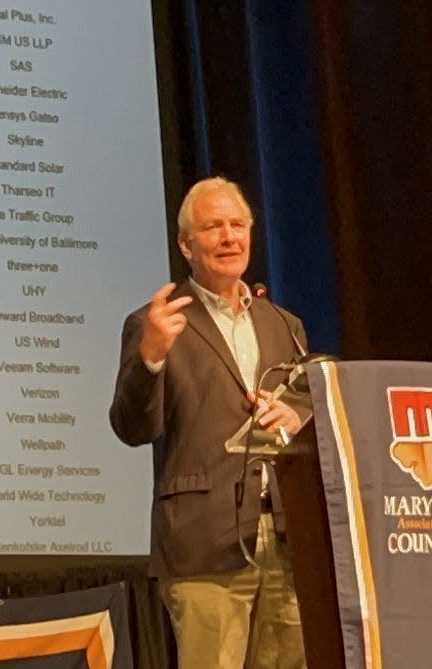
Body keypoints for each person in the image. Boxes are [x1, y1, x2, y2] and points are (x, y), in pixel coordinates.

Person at [109, 177, 308, 669]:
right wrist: (151, 356)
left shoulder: (284, 324)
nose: (229, 237)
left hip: (287, 542)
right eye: (213, 226)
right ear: (185, 244)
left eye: (238, 225)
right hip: (204, 546)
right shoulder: (156, 321)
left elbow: (307, 408)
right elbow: (131, 427)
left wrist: (298, 416)